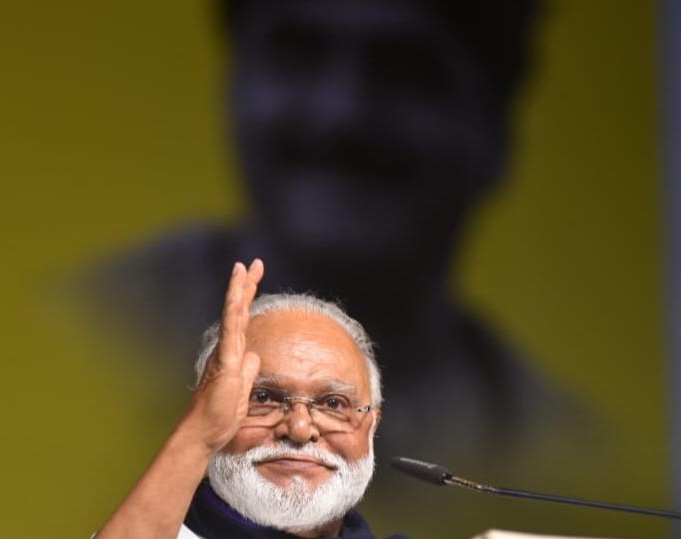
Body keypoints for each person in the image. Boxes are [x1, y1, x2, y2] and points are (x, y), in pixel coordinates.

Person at [77, 0, 589, 508]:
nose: (339, 115)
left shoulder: (565, 447)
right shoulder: (92, 330)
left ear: (494, 126)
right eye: (298, 54)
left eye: (404, 71)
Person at [19, 260, 448, 539]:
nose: (300, 428)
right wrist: (197, 436)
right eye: (263, 398)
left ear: (371, 425)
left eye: (333, 403)